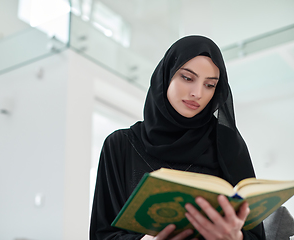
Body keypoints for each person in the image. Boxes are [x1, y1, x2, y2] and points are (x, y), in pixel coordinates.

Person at [90, 35, 266, 240]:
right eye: (187, 78)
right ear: (166, 76)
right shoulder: (120, 146)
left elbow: (256, 233)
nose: (197, 93)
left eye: (210, 85)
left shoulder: (227, 144)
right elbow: (101, 234)